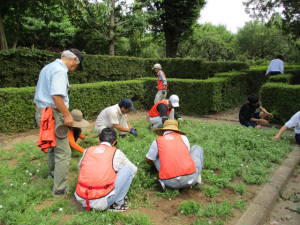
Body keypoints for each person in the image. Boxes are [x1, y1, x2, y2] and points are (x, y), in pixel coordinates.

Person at [34, 48, 84, 196]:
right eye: (76, 66)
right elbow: (56, 96)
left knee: (52, 144)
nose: (74, 70)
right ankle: (60, 189)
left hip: (43, 112)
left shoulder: (48, 67)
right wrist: (67, 116)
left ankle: (52, 174)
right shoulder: (60, 71)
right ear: (74, 60)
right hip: (54, 114)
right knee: (63, 152)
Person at [75, 128, 137, 211]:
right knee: (128, 169)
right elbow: (134, 169)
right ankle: (118, 203)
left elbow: (80, 168)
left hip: (81, 197)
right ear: (114, 142)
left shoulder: (87, 150)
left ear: (98, 140)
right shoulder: (116, 152)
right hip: (102, 200)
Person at [145, 120, 204, 192]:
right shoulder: (183, 138)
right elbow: (187, 155)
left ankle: (163, 181)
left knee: (156, 156)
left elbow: (148, 159)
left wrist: (154, 165)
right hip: (190, 179)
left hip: (169, 183)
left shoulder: (157, 141)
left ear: (163, 131)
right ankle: (198, 180)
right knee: (197, 148)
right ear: (177, 130)